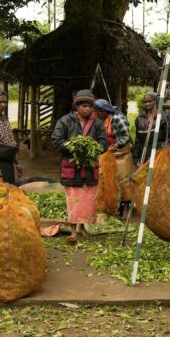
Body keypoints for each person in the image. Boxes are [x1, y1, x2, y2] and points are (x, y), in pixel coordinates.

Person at [51, 90, 108, 243]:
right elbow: (56, 140)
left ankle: (82, 228)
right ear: (76, 107)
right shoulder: (65, 121)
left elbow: (104, 143)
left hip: (90, 168)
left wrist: (92, 148)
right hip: (71, 167)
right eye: (84, 106)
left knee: (88, 198)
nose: (87, 109)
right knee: (74, 199)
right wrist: (73, 147)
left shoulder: (97, 123)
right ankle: (73, 231)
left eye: (90, 106)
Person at [132, 91, 170, 165]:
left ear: (156, 101)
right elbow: (138, 139)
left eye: (150, 101)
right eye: (145, 102)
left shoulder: (165, 116)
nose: (147, 104)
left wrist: (167, 151)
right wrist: (136, 155)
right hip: (144, 151)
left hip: (158, 150)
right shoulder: (140, 118)